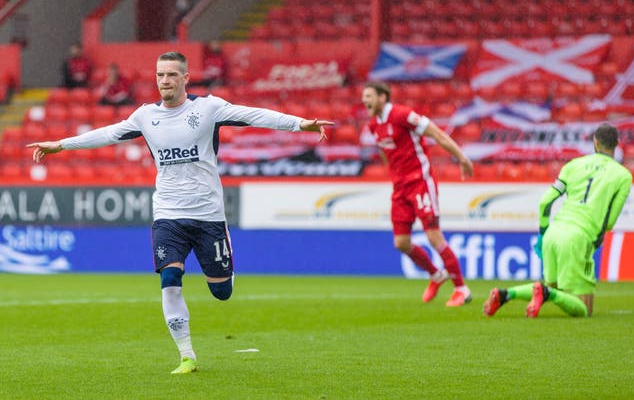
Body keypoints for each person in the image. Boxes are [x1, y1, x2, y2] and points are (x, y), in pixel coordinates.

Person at [27, 51, 334, 374]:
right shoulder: (146, 116)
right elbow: (106, 134)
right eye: (160, 75)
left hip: (208, 214)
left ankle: (225, 269)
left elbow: (254, 115)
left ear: (185, 78)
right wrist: (60, 144)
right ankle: (187, 355)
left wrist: (299, 124)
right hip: (168, 214)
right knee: (170, 278)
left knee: (221, 292)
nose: (165, 81)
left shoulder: (208, 109)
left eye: (172, 75)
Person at [483, 123, 632, 318]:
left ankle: (506, 294)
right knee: (584, 309)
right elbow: (610, 222)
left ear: (595, 142)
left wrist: (543, 233)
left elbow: (545, 202)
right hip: (580, 236)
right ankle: (544, 294)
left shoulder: (572, 165)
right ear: (616, 145)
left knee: (552, 286)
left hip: (554, 231)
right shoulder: (623, 176)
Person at [361, 81, 474, 307]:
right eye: (363, 97)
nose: (365, 101)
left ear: (383, 97)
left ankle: (462, 289)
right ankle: (436, 274)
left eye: (369, 96)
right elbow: (387, 154)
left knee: (433, 236)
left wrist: (462, 158)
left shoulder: (403, 115)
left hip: (420, 182)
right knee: (401, 243)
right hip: (400, 188)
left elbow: (437, 134)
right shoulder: (374, 126)